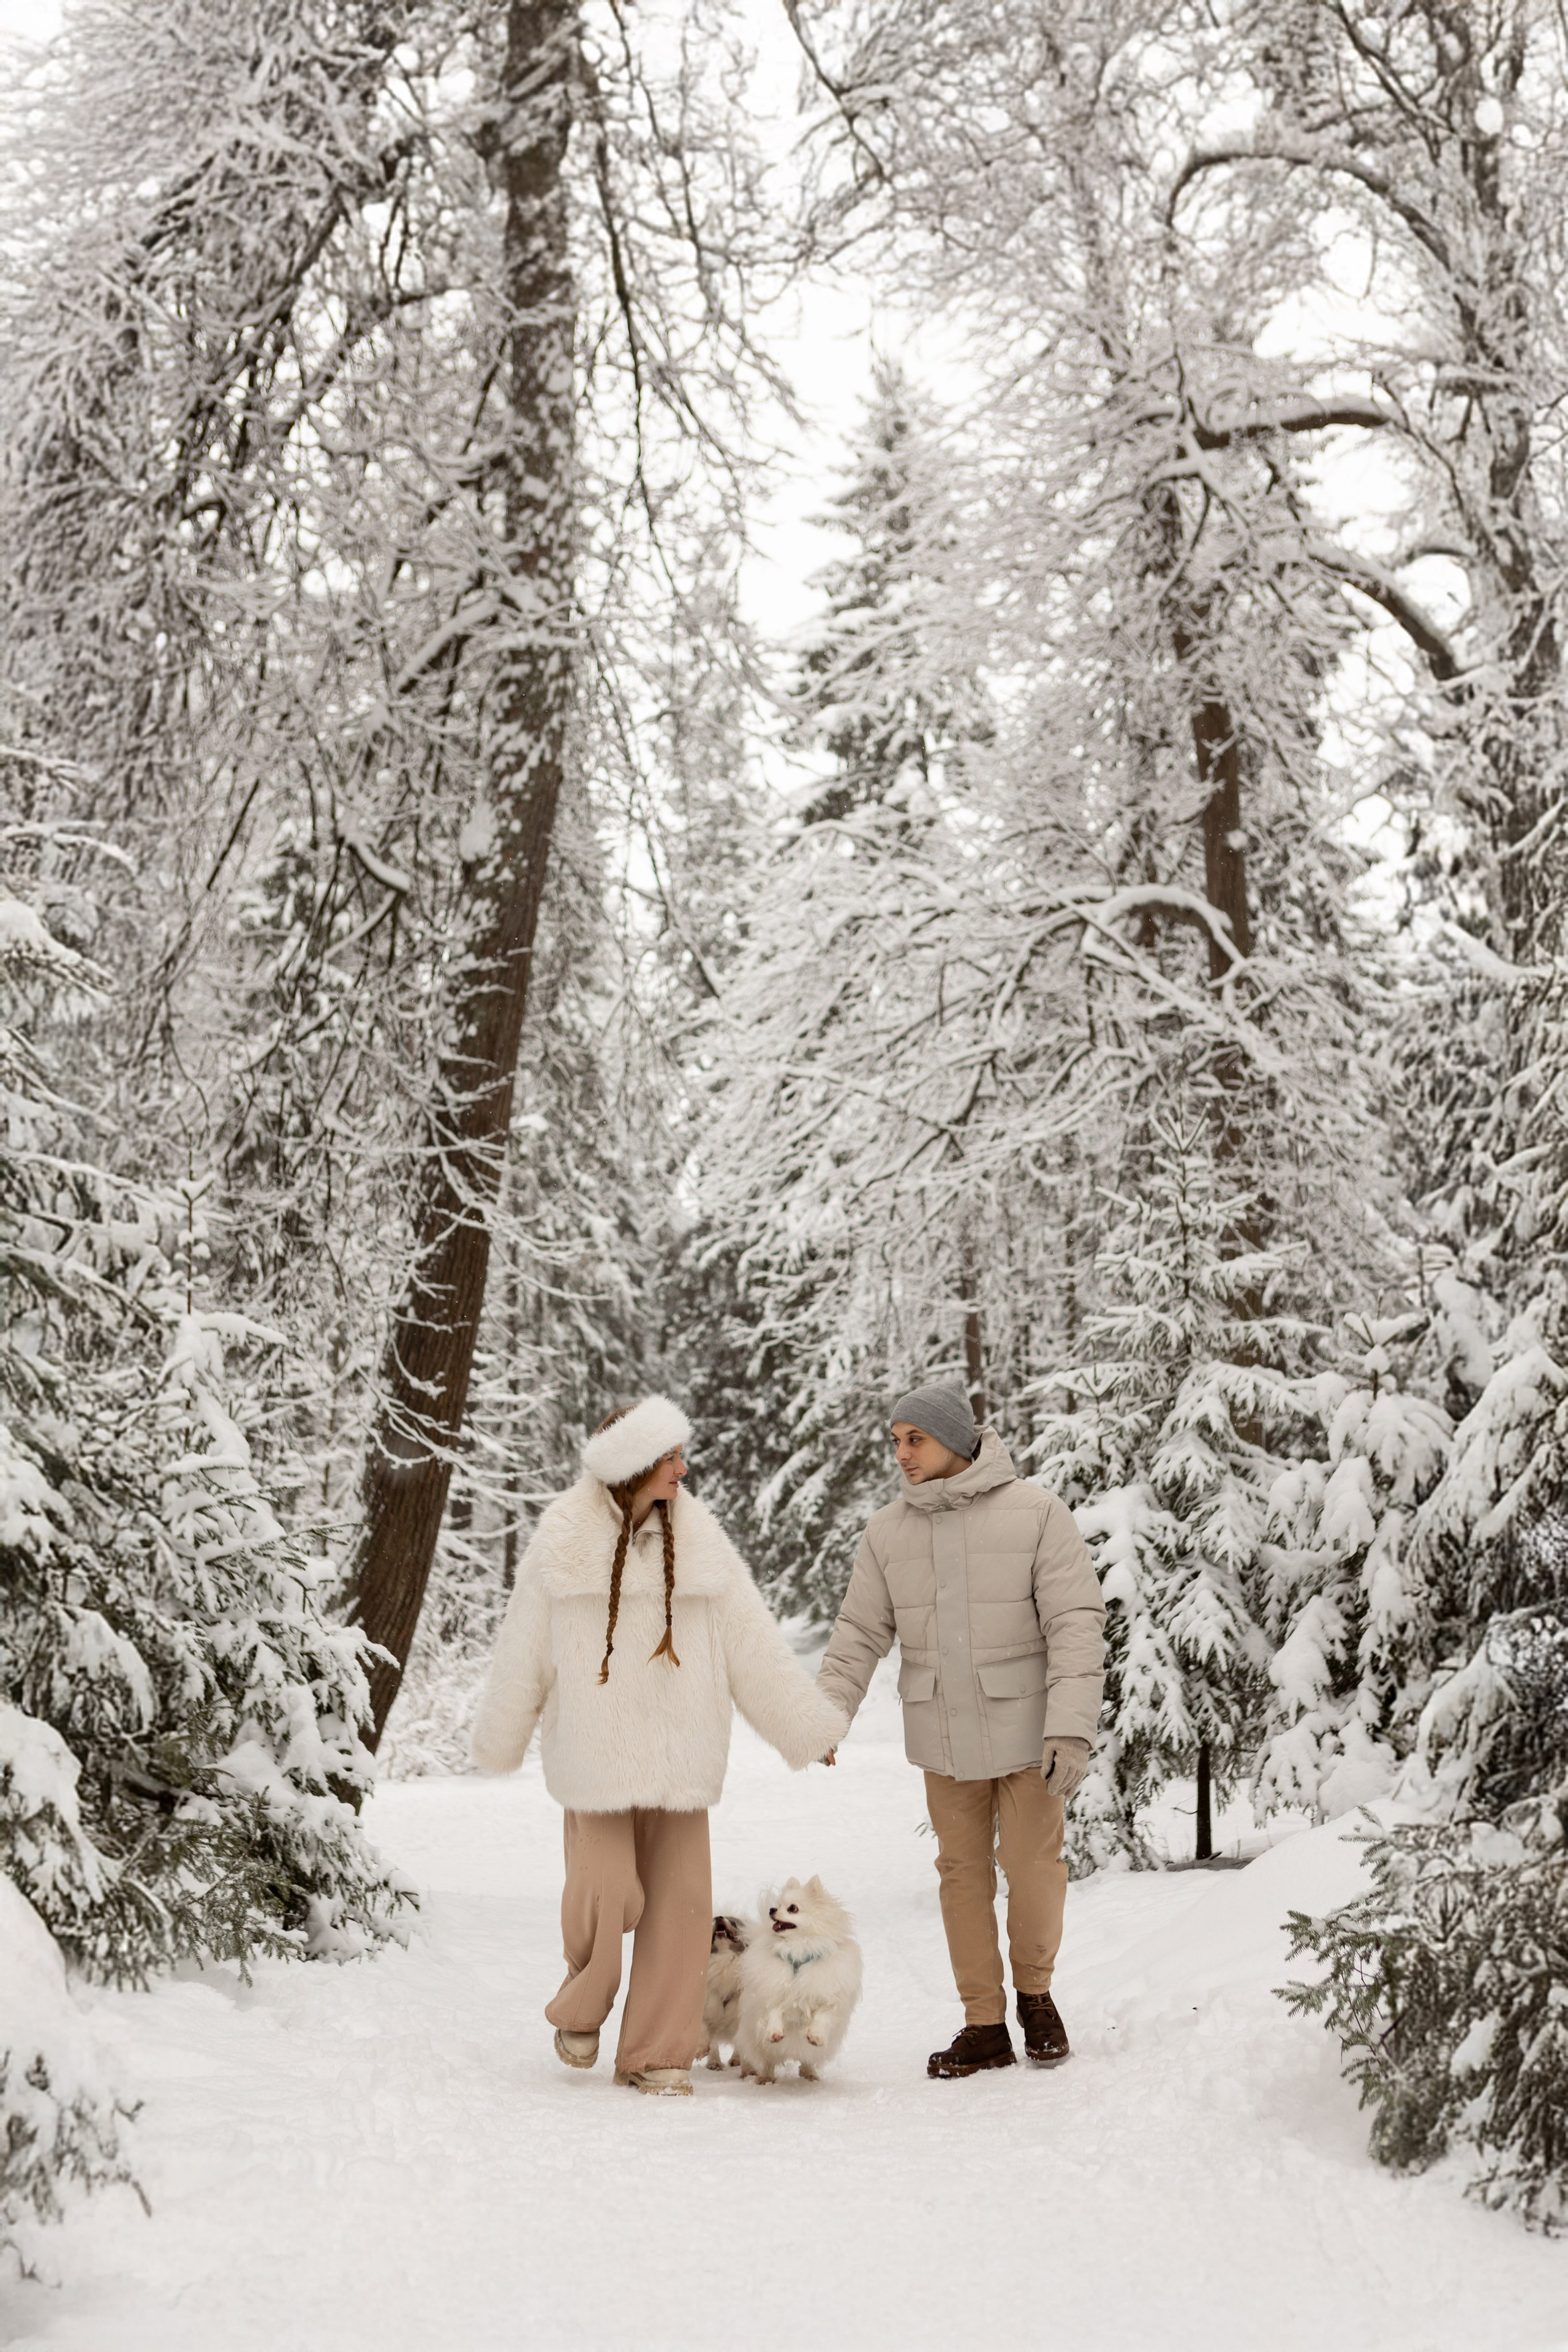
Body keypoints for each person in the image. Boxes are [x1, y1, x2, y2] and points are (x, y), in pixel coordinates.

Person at [471, 1395, 846, 2097]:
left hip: (682, 1760)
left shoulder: (700, 1539)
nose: (682, 1468)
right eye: (669, 1457)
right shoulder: (563, 1538)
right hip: (595, 1761)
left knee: (678, 1911)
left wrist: (808, 1729)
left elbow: (753, 1647)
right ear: (632, 1466)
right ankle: (583, 2002)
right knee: (606, 1891)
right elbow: (523, 1650)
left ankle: (655, 2051)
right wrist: (501, 1738)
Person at [816, 1381, 1105, 2078]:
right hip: (941, 1731)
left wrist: (1070, 1729)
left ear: (955, 1438)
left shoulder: (1036, 1513)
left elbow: (1075, 1623)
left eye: (915, 1439)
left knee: (1034, 1868)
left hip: (1028, 1731)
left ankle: (1035, 1998)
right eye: (895, 1441)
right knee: (960, 1877)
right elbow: (859, 1631)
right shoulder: (887, 1531)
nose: (901, 1454)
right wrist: (825, 1714)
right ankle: (984, 2023)